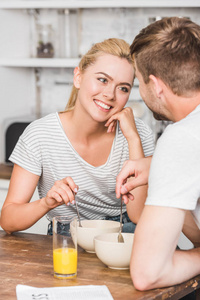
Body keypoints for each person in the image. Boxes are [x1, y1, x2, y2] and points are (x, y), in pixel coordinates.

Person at [0, 38, 154, 235]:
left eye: (123, 88)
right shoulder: (40, 135)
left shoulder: (138, 133)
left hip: (128, 235)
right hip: (69, 236)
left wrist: (133, 138)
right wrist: (46, 203)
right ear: (78, 77)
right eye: (102, 80)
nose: (110, 94)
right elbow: (8, 219)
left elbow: (138, 215)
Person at [115, 17, 200, 291]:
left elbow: (147, 274)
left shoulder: (182, 137)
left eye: (138, 82)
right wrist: (157, 167)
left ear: (157, 85)